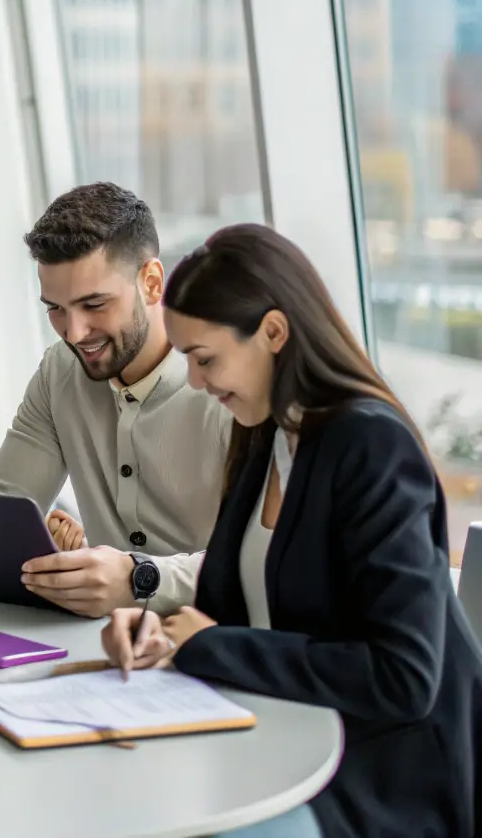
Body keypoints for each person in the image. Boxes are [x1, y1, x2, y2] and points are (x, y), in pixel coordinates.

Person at [103, 224, 482, 838]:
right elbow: (228, 615)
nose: (195, 383)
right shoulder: (268, 438)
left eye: (205, 359)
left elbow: (404, 677)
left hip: (379, 780)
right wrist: (161, 633)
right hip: (279, 742)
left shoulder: (371, 446)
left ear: (273, 333)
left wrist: (209, 646)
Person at [0, 183, 230, 617]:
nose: (74, 333)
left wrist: (136, 578)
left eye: (94, 304)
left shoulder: (228, 387)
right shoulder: (59, 371)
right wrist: (40, 547)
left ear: (152, 282)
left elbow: (269, 561)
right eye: (55, 309)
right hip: (103, 645)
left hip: (215, 638)